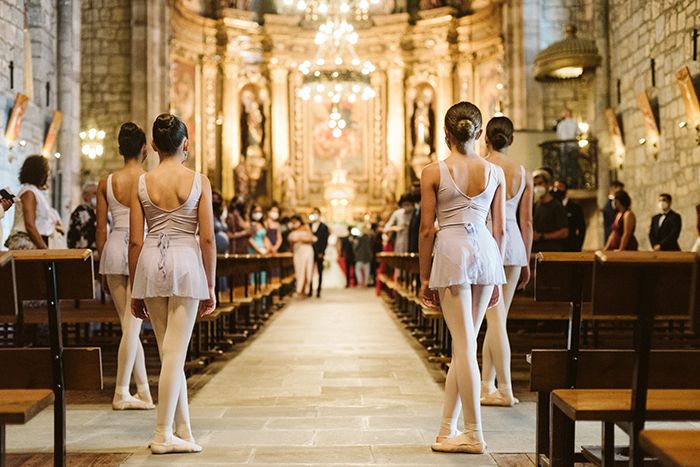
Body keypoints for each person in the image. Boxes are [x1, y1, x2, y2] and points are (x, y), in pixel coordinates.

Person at [419, 101, 506, 454]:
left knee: (464, 344)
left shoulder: (433, 171)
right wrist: (498, 275)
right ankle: (447, 429)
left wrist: (424, 276)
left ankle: (474, 433)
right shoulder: (495, 172)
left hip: (453, 251)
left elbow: (427, 229)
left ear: (445, 134)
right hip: (486, 251)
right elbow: (498, 229)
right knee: (465, 345)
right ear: (480, 133)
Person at [129, 114, 216, 454]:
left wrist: (137, 287)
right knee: (174, 354)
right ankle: (163, 433)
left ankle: (184, 429)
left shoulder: (142, 182)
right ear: (186, 144)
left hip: (151, 261)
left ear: (152, 145)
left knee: (170, 352)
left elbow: (135, 241)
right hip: (185, 262)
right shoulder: (199, 181)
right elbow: (207, 239)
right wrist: (210, 285)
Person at [96, 122, 154, 411]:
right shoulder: (148, 180)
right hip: (138, 248)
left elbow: (100, 231)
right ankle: (121, 392)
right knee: (133, 327)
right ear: (144, 149)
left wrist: (100, 265)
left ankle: (143, 391)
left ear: (120, 149)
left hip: (113, 249)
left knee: (129, 325)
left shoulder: (106, 181)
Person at [479, 116, 533, 407]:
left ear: (485, 139)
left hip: (489, 239)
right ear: (511, 140)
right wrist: (526, 259)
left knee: (495, 318)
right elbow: (527, 222)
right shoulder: (523, 172)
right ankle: (487, 385)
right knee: (497, 317)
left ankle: (506, 388)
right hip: (514, 244)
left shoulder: (483, 166)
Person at [6, 155, 53, 250]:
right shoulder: (29, 192)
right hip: (25, 241)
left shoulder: (34, 190)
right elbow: (29, 225)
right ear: (39, 172)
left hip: (32, 240)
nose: (47, 174)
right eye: (46, 171)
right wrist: (44, 248)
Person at [532, 169, 568, 252]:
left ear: (548, 185)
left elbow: (564, 232)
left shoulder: (556, 206)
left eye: (540, 183)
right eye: (535, 184)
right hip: (536, 251)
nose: (537, 187)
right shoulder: (535, 206)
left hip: (552, 251)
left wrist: (542, 236)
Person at [553, 180, 586, 251]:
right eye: (555, 187)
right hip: (555, 247)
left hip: (571, 246)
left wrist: (578, 246)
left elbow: (581, 228)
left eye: (560, 187)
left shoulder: (575, 207)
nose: (557, 190)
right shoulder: (552, 207)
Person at [287, 214, 316, 297]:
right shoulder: (292, 230)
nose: (294, 223)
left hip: (306, 251)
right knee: (298, 270)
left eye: (295, 221)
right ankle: (299, 289)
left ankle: (305, 290)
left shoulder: (306, 227)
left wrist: (299, 239)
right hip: (297, 251)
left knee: (307, 269)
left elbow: (311, 238)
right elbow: (290, 243)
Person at [67, 182, 98, 250]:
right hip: (84, 254)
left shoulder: (91, 212)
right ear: (85, 195)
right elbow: (83, 237)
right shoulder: (82, 212)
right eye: (94, 193)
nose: (97, 196)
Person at [309, 207, 329, 298]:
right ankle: (309, 290)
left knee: (320, 271)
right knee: (309, 271)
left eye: (316, 213)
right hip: (309, 252)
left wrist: (322, 252)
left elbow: (325, 240)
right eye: (313, 213)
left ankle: (318, 290)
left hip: (319, 252)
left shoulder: (324, 227)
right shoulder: (308, 226)